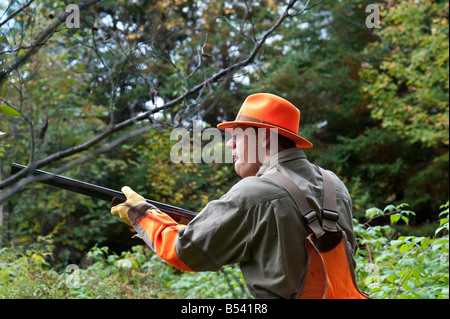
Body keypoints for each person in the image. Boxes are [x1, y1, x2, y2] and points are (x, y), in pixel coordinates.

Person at [111, 93, 357, 299]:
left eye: (237, 137)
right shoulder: (334, 185)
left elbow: (185, 251)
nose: (230, 146)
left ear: (265, 139)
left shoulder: (253, 192)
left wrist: (141, 213)